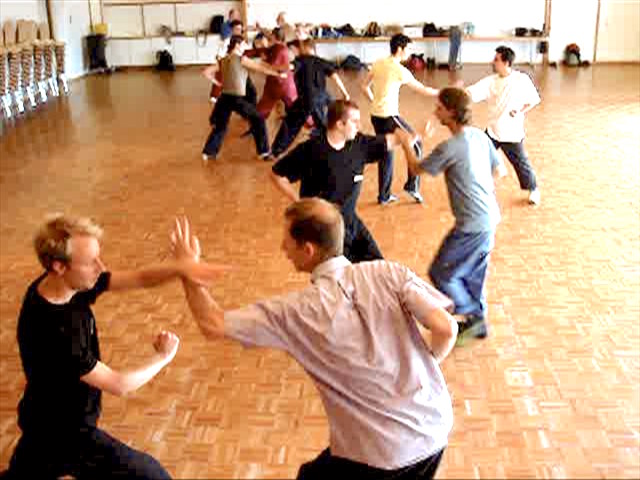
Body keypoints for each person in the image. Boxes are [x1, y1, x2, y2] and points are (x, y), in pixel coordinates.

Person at [171, 197, 458, 479]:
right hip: (434, 426)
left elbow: (212, 323)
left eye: (286, 240)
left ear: (308, 249)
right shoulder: (390, 271)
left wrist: (186, 270)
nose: (282, 247)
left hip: (380, 452)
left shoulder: (295, 312)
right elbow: (446, 329)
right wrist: (427, 363)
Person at [2, 214, 222, 478]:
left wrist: (180, 268)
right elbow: (119, 383)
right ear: (59, 266)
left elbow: (139, 278)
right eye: (90, 262)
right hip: (66, 435)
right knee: (153, 476)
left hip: (44, 422)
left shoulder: (65, 285)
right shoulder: (55, 330)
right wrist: (163, 357)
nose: (100, 266)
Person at [406, 87, 506, 341]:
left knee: (441, 272)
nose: (435, 111)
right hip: (488, 220)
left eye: (439, 107)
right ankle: (478, 322)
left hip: (472, 225)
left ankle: (472, 314)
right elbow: (499, 171)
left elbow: (416, 170)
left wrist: (409, 144)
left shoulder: (449, 147)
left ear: (451, 112)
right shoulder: (479, 137)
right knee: (473, 273)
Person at [270, 99, 417, 263]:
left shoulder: (360, 144)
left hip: (351, 222)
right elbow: (277, 174)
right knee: (343, 279)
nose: (359, 126)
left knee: (378, 267)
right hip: (325, 230)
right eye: (354, 122)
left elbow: (393, 140)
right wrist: (298, 202)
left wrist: (405, 138)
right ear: (340, 124)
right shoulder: (311, 150)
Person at [362, 34, 438, 205]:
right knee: (416, 143)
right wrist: (442, 93)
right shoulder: (399, 70)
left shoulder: (378, 63)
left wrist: (375, 101)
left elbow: (363, 86)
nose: (410, 53)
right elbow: (423, 90)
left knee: (385, 152)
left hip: (376, 116)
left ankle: (384, 196)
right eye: (408, 49)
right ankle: (412, 185)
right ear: (400, 49)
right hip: (388, 117)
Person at [465, 46, 541, 205]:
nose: (493, 62)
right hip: (493, 131)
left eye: (496, 59)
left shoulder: (521, 79)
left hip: (512, 134)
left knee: (521, 164)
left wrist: (520, 111)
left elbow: (533, 100)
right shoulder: (491, 81)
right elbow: (473, 92)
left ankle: (534, 190)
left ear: (506, 62)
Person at [202, 35, 287, 162]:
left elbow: (206, 72)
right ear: (237, 45)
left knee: (220, 126)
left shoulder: (224, 59)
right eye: (243, 44)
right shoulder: (242, 59)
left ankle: (208, 153)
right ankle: (263, 152)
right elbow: (261, 68)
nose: (245, 47)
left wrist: (217, 82)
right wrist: (278, 73)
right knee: (258, 119)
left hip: (224, 97)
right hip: (237, 98)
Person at [268, 39, 350, 160]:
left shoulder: (301, 60)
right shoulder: (321, 61)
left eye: (301, 48)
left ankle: (275, 152)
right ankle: (336, 151)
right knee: (323, 127)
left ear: (306, 48)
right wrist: (345, 93)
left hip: (306, 99)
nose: (299, 50)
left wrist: (276, 68)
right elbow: (335, 77)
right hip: (321, 99)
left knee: (290, 124)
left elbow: (289, 67)